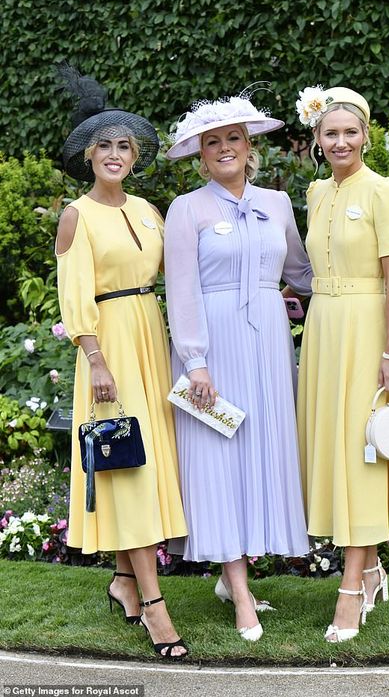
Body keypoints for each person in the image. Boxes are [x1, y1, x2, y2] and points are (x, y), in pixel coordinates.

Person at [164, 90, 313, 641]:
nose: (224, 147)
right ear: (200, 156)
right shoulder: (188, 209)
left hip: (270, 345)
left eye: (233, 137)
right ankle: (240, 591)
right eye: (212, 142)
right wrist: (195, 361)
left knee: (262, 450)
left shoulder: (276, 202)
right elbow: (180, 290)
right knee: (222, 455)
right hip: (214, 347)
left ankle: (237, 580)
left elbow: (300, 270)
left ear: (249, 146)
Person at [55, 69, 188, 659]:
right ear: (89, 155)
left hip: (149, 339)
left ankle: (125, 581)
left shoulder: (151, 211)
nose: (114, 154)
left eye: (124, 146)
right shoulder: (75, 216)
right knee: (127, 463)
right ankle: (156, 607)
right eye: (104, 145)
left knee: (143, 458)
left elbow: (177, 275)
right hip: (107, 345)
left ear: (135, 157)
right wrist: (95, 357)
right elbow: (73, 293)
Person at [295, 85, 389, 642]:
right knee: (338, 452)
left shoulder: (383, 190)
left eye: (351, 132)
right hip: (323, 329)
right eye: (331, 133)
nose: (341, 141)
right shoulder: (315, 191)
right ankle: (370, 570)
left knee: (363, 455)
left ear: (366, 135)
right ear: (317, 139)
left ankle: (352, 588)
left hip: (369, 329)